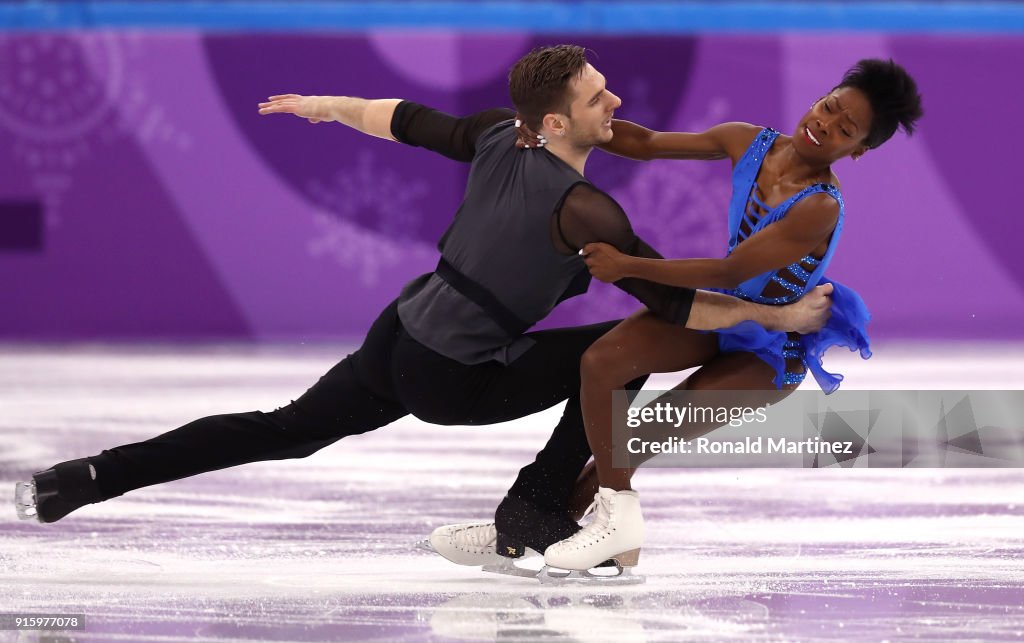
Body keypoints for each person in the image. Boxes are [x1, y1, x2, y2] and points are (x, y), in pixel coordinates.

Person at [14, 46, 831, 565]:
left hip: (397, 334)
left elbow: (404, 119)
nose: (614, 105)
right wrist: (783, 320)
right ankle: (538, 507)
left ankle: (89, 477)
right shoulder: (588, 213)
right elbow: (681, 309)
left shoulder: (493, 134)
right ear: (555, 122)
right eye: (598, 100)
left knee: (283, 429)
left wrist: (327, 108)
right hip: (456, 378)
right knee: (617, 354)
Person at [522, 58, 922, 576]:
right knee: (601, 363)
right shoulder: (747, 140)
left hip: (771, 348)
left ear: (858, 150)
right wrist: (563, 124)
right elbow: (645, 144)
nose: (824, 124)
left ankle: (566, 525)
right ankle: (567, 527)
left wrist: (628, 266)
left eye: (844, 129)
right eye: (828, 107)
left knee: (638, 436)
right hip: (725, 316)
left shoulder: (819, 206)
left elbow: (733, 271)